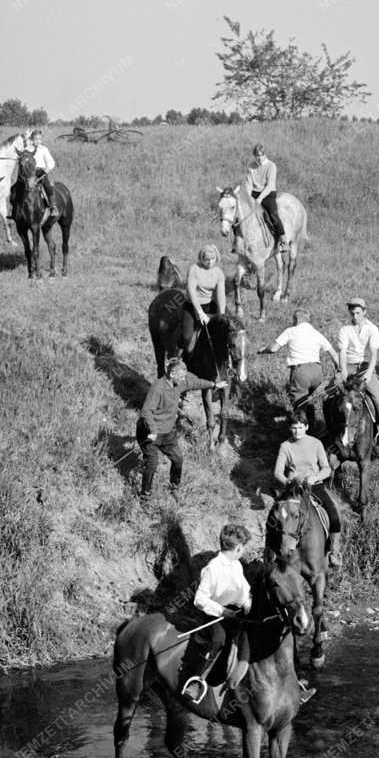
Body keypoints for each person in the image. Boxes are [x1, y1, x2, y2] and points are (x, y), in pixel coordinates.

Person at [180, 523, 252, 707]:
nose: (243, 551)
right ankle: (197, 681)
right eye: (243, 548)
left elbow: (244, 591)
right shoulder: (213, 568)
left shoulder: (237, 565)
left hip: (236, 613)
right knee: (218, 640)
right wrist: (223, 611)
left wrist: (248, 604)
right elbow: (200, 600)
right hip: (215, 615)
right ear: (238, 548)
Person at [137, 356, 214, 501]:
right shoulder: (158, 388)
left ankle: (174, 487)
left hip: (167, 433)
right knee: (152, 464)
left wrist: (213, 384)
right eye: (181, 376)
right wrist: (153, 430)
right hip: (150, 432)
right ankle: (144, 495)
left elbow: (195, 383)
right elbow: (146, 412)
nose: (184, 379)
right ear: (172, 374)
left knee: (178, 459)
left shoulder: (179, 384)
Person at [274, 413, 343, 568]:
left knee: (334, 513)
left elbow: (326, 468)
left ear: (306, 427)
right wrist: (288, 481)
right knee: (275, 516)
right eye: (294, 428)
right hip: (294, 488)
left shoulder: (316, 443)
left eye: (300, 427)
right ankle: (269, 550)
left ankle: (334, 551)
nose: (297, 431)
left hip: (314, 485)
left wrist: (315, 477)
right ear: (289, 428)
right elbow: (277, 472)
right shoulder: (285, 446)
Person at [257, 307, 338, 403]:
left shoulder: (290, 331)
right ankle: (311, 415)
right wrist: (340, 370)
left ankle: (300, 416)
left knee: (299, 404)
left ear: (297, 319)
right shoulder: (317, 333)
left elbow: (273, 349)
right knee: (308, 400)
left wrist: (262, 350)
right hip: (317, 372)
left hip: (301, 372)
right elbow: (333, 353)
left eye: (293, 320)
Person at [338, 297, 379, 443]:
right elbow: (342, 353)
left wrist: (368, 373)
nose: (355, 316)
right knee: (331, 394)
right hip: (349, 365)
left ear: (364, 312)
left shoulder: (372, 329)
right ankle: (331, 428)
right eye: (353, 313)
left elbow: (374, 354)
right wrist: (343, 371)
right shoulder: (345, 329)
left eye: (358, 313)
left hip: (365, 366)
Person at [181, 244, 226, 355]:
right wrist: (200, 313)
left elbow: (221, 294)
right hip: (193, 306)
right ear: (201, 258)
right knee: (186, 336)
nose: (210, 262)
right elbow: (191, 291)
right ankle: (178, 357)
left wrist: (222, 314)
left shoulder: (219, 273)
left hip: (209, 304)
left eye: (213, 259)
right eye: (207, 260)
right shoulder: (194, 269)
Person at [244, 142, 284, 247]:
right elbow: (248, 184)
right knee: (242, 214)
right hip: (254, 194)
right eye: (256, 156)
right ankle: (239, 242)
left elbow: (270, 185)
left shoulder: (271, 166)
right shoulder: (251, 167)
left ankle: (283, 240)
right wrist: (248, 198)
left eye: (260, 156)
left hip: (268, 194)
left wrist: (260, 199)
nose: (258, 158)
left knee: (273, 215)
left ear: (264, 155)